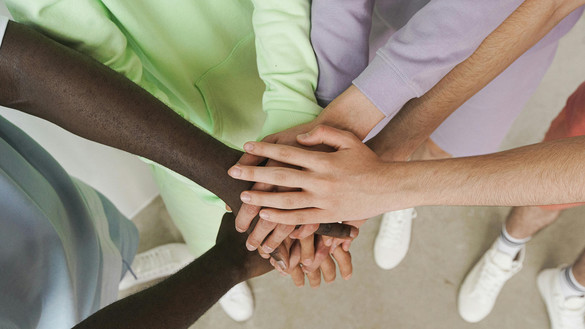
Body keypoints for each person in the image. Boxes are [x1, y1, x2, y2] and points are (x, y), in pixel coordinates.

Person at [228, 0, 585, 327]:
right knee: (378, 121)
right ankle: (394, 188)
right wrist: (363, 134)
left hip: (520, 47)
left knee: (454, 146)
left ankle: (404, 203)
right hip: (408, 15)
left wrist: (390, 182)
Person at [0, 17, 354, 328]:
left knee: (95, 247)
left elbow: (15, 70)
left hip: (45, 215)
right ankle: (191, 275)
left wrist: (235, 176)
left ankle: (126, 271)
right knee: (203, 228)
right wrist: (225, 265)